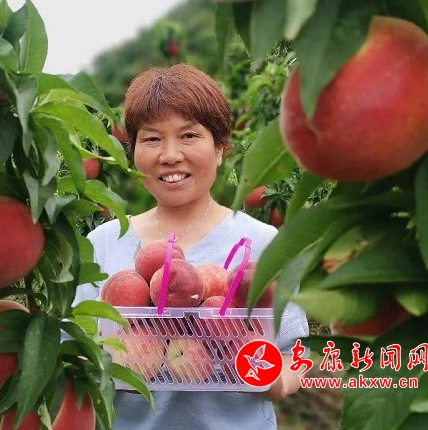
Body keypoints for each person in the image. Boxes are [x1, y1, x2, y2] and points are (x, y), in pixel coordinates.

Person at [74, 63, 309, 430]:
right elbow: (76, 349)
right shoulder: (103, 243)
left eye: (188, 135)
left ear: (220, 149)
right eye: (152, 139)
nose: (170, 155)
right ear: (132, 153)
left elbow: (295, 354)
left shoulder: (261, 243)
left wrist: (272, 382)